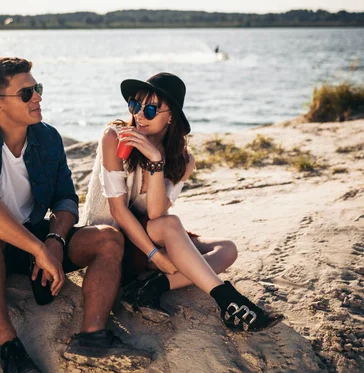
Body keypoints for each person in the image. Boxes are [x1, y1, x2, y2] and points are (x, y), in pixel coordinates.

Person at [0, 57, 150, 373]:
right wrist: (38, 248)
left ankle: (93, 336)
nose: (38, 97)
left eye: (37, 89)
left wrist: (54, 239)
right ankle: (7, 344)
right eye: (26, 93)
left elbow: (66, 199)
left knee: (108, 239)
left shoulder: (48, 138)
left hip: (38, 235)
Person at [82, 72, 284, 331]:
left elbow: (155, 211)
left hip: (148, 232)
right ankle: (227, 300)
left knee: (227, 249)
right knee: (172, 226)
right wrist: (156, 254)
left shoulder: (183, 160)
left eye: (152, 108)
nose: (140, 115)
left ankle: (152, 287)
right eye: (135, 105)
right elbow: (118, 211)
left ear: (171, 116)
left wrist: (155, 160)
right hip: (112, 239)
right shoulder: (115, 136)